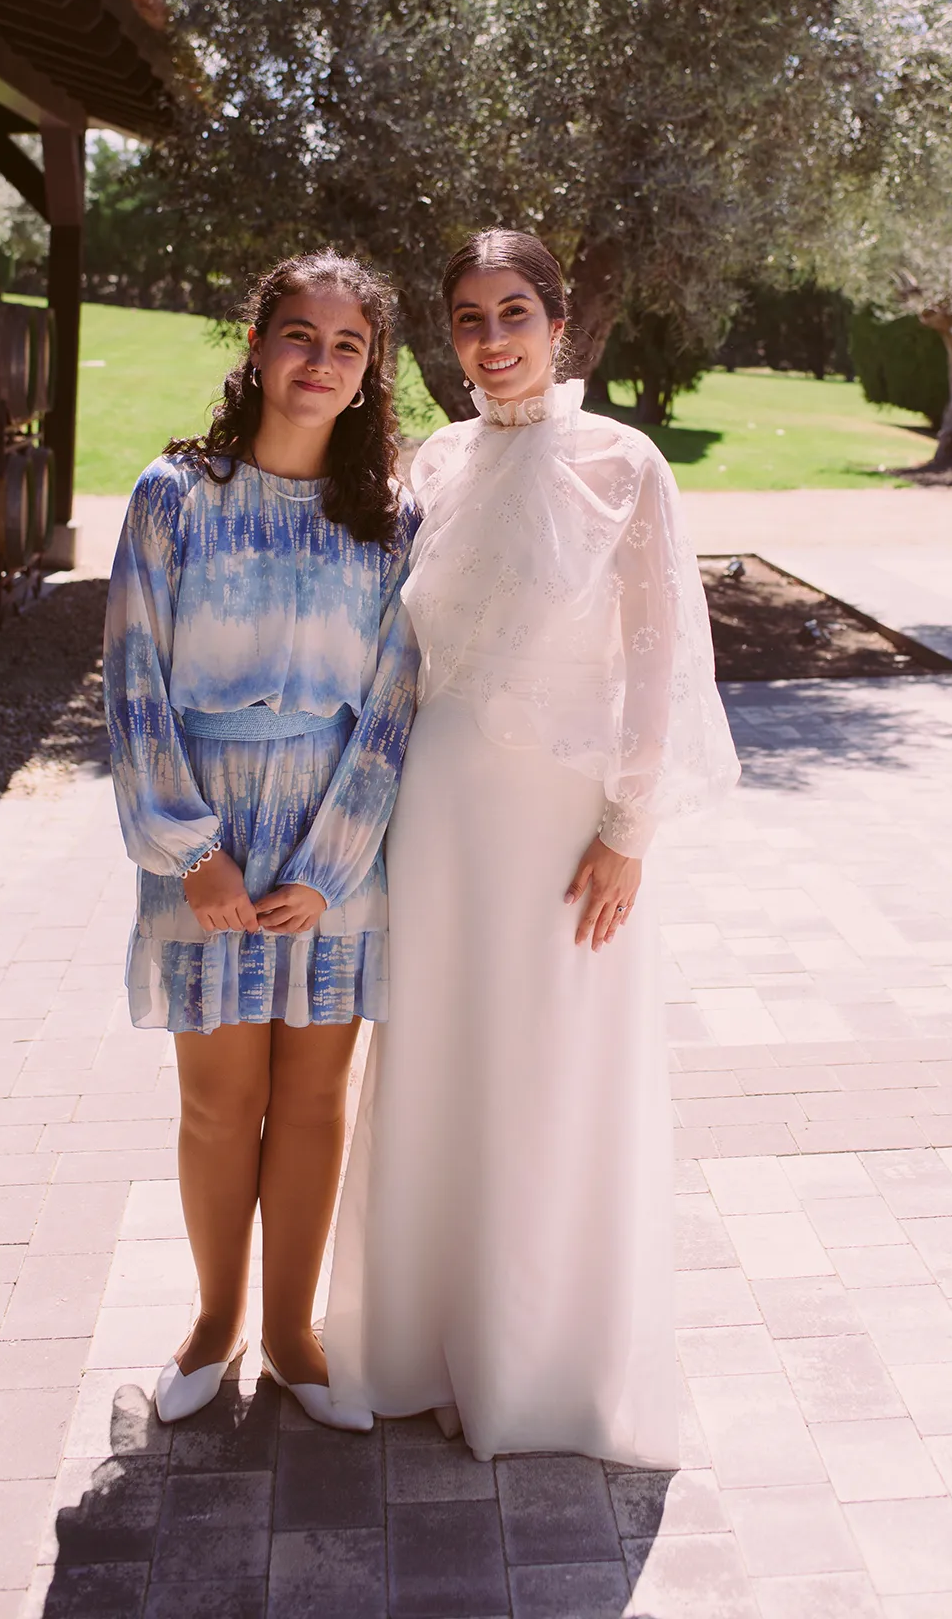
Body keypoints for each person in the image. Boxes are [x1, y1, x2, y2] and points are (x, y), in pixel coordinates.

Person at [325, 228, 739, 1465]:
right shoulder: (437, 461)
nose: (491, 338)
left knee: (553, 1063)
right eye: (468, 317)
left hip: (565, 820)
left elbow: (658, 657)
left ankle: (540, 1362)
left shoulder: (623, 462)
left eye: (514, 312)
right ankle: (418, 1338)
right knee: (438, 1055)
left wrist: (628, 826)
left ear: (560, 324)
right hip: (440, 809)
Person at [105, 249, 419, 1430]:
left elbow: (394, 699)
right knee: (217, 1099)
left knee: (317, 1097)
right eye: (299, 334)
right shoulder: (174, 495)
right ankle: (213, 1320)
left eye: (347, 345)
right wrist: (193, 851)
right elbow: (133, 679)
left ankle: (293, 1332)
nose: (319, 361)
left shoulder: (390, 517)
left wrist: (332, 865)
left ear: (369, 370)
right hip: (205, 833)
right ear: (255, 342)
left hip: (334, 837)